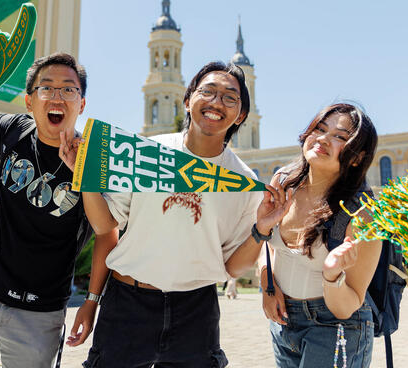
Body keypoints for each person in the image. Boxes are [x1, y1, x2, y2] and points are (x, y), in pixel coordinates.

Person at [67, 61, 291, 368]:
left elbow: (233, 266)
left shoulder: (244, 182)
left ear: (240, 116)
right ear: (188, 100)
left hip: (195, 312)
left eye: (229, 97)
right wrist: (87, 177)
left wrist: (261, 230)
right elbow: (106, 225)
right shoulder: (146, 152)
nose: (216, 102)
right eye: (208, 91)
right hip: (127, 306)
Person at [0, 53, 118, 368]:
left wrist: (91, 301)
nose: (56, 96)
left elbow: (106, 232)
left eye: (68, 89)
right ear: (30, 102)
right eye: (46, 88)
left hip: (40, 312)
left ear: (82, 104)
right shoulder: (15, 129)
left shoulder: (97, 160)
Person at [259, 103, 382, 367]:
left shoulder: (362, 214)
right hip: (283, 322)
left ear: (358, 156)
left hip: (337, 327)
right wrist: (267, 284)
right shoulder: (283, 181)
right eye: (320, 129)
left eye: (340, 136)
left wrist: (332, 274)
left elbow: (347, 305)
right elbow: (267, 241)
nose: (323, 139)